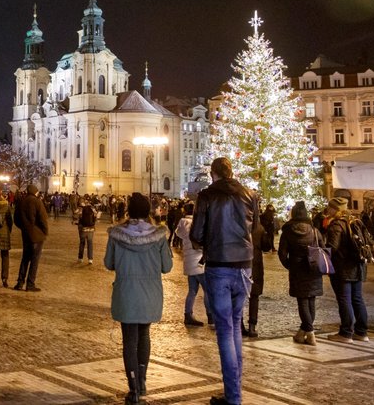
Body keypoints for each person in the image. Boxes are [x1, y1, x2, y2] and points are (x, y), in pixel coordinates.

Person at [189, 157, 259, 405]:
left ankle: (234, 397)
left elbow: (196, 234)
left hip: (219, 265)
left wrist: (205, 241)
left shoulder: (207, 196)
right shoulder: (249, 194)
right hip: (244, 266)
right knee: (236, 325)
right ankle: (233, 391)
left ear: (213, 174)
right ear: (231, 172)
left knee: (226, 331)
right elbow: (255, 228)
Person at [104, 192, 173, 404]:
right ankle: (142, 382)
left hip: (126, 293)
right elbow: (167, 267)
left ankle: (132, 388)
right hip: (150, 293)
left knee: (129, 341)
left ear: (129, 211)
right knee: (144, 336)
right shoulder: (159, 235)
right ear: (148, 211)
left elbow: (108, 263)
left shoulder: (116, 234)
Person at [321, 197, 370, 342]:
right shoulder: (355, 221)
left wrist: (322, 250)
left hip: (343, 268)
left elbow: (332, 247)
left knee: (344, 299)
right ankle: (362, 332)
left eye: (329, 207)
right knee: (357, 299)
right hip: (358, 266)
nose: (327, 210)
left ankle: (346, 332)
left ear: (335, 209)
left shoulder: (336, 224)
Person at [277, 200, 324, 345]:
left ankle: (310, 333)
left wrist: (290, 265)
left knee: (303, 300)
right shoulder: (314, 230)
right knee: (311, 300)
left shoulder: (288, 230)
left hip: (297, 268)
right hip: (314, 267)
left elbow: (282, 253)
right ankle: (302, 333)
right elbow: (322, 246)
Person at [174, 201, 211, 327]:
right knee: (208, 290)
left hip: (189, 263)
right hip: (200, 262)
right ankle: (210, 315)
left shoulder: (182, 223)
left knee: (192, 291)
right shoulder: (197, 224)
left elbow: (178, 233)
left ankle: (188, 314)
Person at [13, 184, 48, 291]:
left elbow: (16, 219)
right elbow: (43, 218)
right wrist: (44, 232)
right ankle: (30, 284)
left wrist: (24, 228)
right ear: (35, 192)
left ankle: (20, 283)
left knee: (25, 258)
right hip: (37, 235)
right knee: (34, 260)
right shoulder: (37, 202)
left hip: (26, 234)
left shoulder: (21, 202)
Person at [77, 195, 98, 264]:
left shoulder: (81, 208)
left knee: (82, 242)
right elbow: (96, 215)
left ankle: (80, 258)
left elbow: (76, 216)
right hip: (91, 228)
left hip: (83, 228)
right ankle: (90, 259)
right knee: (90, 243)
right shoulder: (92, 208)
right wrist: (94, 221)